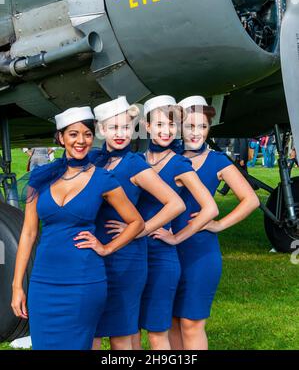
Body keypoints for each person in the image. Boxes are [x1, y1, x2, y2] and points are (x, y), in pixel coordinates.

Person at [11, 106, 144, 350]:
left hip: (84, 281)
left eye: (87, 134)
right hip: (43, 283)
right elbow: (28, 233)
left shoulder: (103, 179)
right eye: (73, 134)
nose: (81, 141)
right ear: (61, 138)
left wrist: (106, 247)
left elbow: (136, 222)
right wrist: (17, 285)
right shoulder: (40, 177)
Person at [107, 96, 218, 350]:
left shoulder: (180, 163)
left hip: (159, 256)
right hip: (133, 256)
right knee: (129, 329)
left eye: (171, 125)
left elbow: (209, 208)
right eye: (159, 124)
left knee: (158, 334)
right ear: (146, 127)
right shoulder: (136, 160)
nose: (165, 131)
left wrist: (174, 237)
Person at [152, 96, 260, 350]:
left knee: (191, 322)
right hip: (167, 249)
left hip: (199, 252)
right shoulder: (168, 157)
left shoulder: (218, 161)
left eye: (202, 127)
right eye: (190, 126)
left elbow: (250, 200)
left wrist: (219, 224)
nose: (196, 133)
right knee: (172, 321)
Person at [91, 97, 185, 351]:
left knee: (122, 333)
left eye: (125, 127)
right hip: (94, 254)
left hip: (127, 258)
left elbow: (175, 204)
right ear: (101, 130)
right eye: (113, 128)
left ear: (133, 129)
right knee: (93, 333)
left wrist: (141, 229)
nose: (120, 134)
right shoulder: (93, 161)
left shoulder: (135, 164)